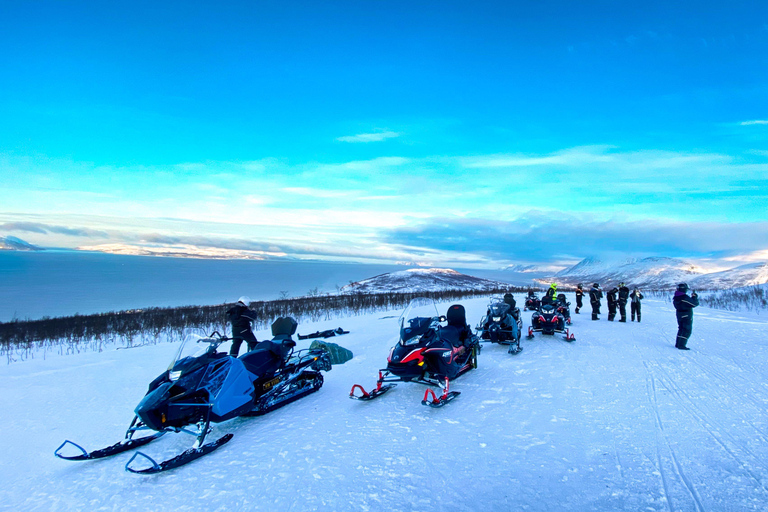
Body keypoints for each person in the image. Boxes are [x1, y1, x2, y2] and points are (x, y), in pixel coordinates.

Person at [673, 283, 699, 350]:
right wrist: (694, 297)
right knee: (686, 330)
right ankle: (681, 345)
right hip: (686, 315)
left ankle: (678, 344)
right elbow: (694, 304)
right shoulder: (684, 297)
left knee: (681, 329)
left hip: (679, 314)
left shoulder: (676, 296)